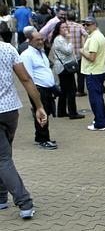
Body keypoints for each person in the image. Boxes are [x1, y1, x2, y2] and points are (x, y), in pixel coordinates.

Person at [0, 41, 47, 219]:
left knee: (3, 159)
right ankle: (1, 197)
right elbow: (25, 78)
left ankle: (24, 202)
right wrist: (39, 106)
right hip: (10, 111)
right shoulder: (7, 48)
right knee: (4, 156)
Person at [19, 32, 58, 150]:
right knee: (41, 112)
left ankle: (40, 136)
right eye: (38, 40)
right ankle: (43, 139)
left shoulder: (41, 52)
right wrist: (35, 91)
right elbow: (28, 76)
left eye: (42, 39)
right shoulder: (27, 55)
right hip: (38, 88)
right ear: (30, 41)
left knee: (46, 111)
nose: (41, 42)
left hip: (47, 88)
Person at [80, 17, 105, 130]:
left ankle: (99, 123)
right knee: (99, 97)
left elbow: (92, 57)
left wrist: (82, 52)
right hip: (97, 70)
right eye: (84, 25)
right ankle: (104, 119)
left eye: (87, 24)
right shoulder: (96, 35)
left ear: (94, 25)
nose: (85, 27)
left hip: (93, 72)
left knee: (95, 99)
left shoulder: (94, 38)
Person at [50, 21, 84, 119]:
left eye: (66, 27)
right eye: (63, 28)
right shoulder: (59, 39)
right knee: (71, 90)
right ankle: (73, 112)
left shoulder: (61, 39)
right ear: (58, 29)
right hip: (64, 67)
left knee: (64, 90)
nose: (65, 30)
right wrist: (69, 40)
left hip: (64, 66)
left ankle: (61, 111)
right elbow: (68, 51)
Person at [66, 10, 88, 97]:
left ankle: (73, 90)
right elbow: (86, 34)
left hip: (68, 53)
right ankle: (80, 91)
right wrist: (83, 44)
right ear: (75, 17)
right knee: (80, 73)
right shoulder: (79, 26)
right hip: (78, 53)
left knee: (70, 73)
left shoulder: (64, 26)